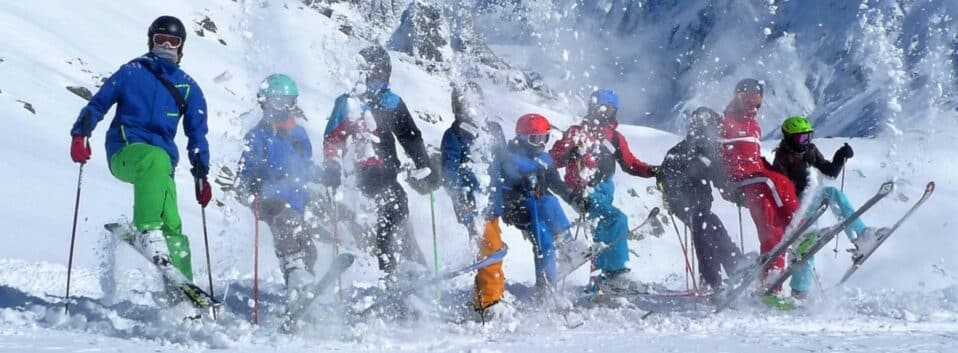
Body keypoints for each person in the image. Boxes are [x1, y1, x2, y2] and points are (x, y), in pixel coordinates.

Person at [69, 16, 211, 304]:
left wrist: (201, 174)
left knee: (173, 226)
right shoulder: (132, 72)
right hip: (125, 152)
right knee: (155, 160)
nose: (167, 46)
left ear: (182, 46)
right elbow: (98, 103)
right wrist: (80, 134)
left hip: (160, 168)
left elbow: (197, 135)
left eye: (174, 42)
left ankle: (181, 295)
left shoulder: (188, 88)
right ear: (151, 41)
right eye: (161, 40)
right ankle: (147, 229)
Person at [323, 45, 440, 287]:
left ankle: (403, 272)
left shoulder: (392, 102)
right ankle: (392, 271)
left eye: (383, 73)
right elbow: (332, 138)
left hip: (386, 174)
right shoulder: (348, 104)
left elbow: (410, 136)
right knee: (393, 210)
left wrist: (423, 164)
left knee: (397, 211)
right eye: (373, 73)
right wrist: (333, 165)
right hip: (356, 179)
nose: (378, 79)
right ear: (361, 73)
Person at [236, 74, 338, 303]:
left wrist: (325, 175)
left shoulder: (299, 134)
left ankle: (304, 291)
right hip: (269, 200)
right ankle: (295, 275)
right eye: (279, 101)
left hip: (297, 199)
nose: (285, 108)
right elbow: (243, 173)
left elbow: (305, 168)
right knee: (287, 222)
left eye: (290, 101)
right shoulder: (258, 136)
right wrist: (251, 182)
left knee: (308, 248)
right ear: (265, 102)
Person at [550, 89, 656, 293]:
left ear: (613, 111)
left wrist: (653, 171)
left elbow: (630, 163)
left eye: (606, 108)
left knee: (602, 233)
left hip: (605, 189)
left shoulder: (615, 138)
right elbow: (555, 159)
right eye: (597, 106)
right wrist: (568, 150)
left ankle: (597, 284)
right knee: (616, 219)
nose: (600, 111)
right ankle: (615, 275)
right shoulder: (577, 132)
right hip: (583, 189)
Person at [771, 116, 886, 299]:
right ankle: (800, 291)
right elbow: (780, 187)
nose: (806, 142)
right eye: (801, 138)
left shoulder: (809, 150)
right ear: (789, 138)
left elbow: (829, 171)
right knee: (806, 246)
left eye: (809, 137)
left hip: (811, 199)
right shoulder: (783, 158)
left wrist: (840, 157)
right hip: (795, 206)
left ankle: (860, 235)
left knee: (833, 194)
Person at [476, 113, 576, 316]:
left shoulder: (544, 159)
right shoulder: (509, 157)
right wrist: (510, 205)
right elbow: (499, 185)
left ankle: (547, 288)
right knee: (549, 201)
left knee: (545, 243)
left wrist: (574, 197)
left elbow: (556, 183)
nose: (540, 143)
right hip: (522, 209)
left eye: (544, 138)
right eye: (534, 139)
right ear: (522, 138)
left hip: (540, 208)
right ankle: (567, 245)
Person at [717, 79, 799, 292]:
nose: (751, 104)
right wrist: (723, 183)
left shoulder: (754, 127)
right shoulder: (725, 122)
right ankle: (799, 225)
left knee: (773, 230)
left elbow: (754, 157)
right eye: (746, 97)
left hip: (756, 182)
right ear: (736, 96)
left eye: (756, 99)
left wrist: (767, 167)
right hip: (738, 178)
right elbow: (716, 153)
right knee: (777, 181)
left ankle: (771, 287)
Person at [658, 107, 744, 290]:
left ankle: (735, 269)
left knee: (713, 224)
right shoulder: (680, 152)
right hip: (684, 205)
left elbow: (721, 179)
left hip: (700, 205)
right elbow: (667, 178)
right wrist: (675, 198)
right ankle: (714, 279)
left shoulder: (709, 153)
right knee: (704, 227)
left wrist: (738, 195)